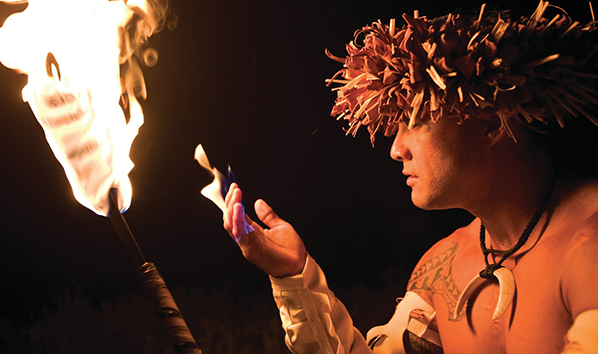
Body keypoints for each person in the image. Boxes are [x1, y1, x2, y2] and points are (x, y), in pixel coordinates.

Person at [223, 2, 598, 353]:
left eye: (416, 121)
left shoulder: (589, 240)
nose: (395, 148)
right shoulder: (441, 266)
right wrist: (294, 279)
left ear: (488, 125)